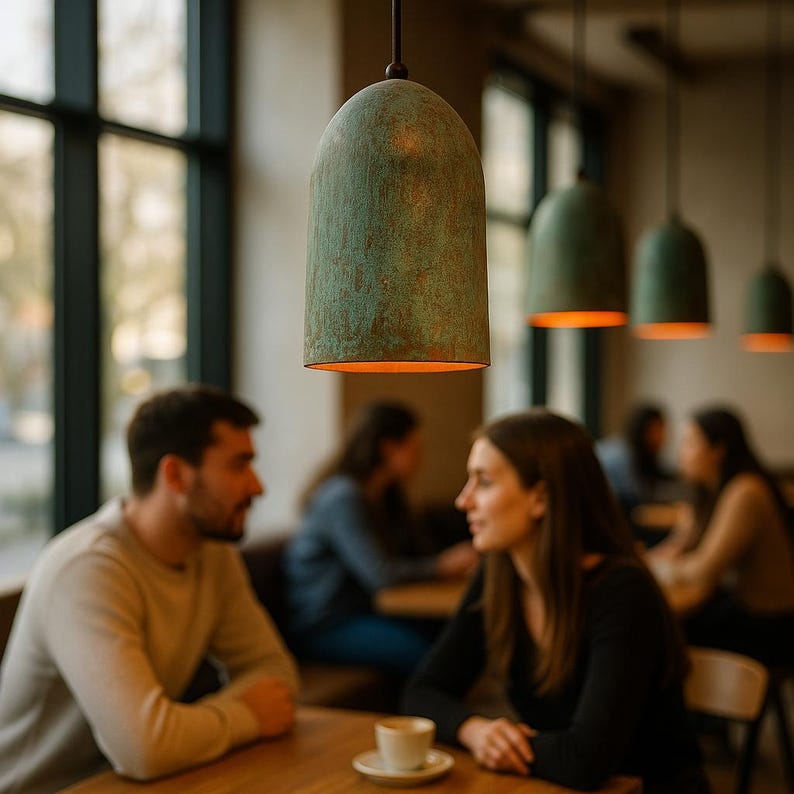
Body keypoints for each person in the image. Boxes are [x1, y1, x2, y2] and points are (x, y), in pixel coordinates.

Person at [0, 385, 299, 793]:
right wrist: (247, 715)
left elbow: (277, 676)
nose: (257, 486)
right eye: (238, 465)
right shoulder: (88, 568)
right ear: (175, 474)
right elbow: (143, 749)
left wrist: (179, 733)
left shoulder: (211, 555)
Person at [402, 410, 707, 793]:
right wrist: (476, 731)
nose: (464, 500)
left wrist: (509, 745)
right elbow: (421, 692)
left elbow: (585, 761)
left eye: (484, 482)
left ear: (540, 498)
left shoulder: (621, 592)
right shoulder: (497, 576)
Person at [284, 401, 478, 675]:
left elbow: (416, 552)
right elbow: (380, 574)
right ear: (389, 448)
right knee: (428, 654)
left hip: (367, 611)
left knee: (455, 636)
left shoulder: (387, 497)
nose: (421, 458)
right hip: (326, 622)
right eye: (415, 448)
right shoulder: (343, 498)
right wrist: (442, 566)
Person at [646, 406, 794, 667]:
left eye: (690, 442)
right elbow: (679, 545)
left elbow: (705, 568)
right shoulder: (707, 491)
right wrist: (643, 559)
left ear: (718, 450)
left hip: (771, 622)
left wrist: (657, 567)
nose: (681, 452)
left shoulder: (746, 491)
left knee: (665, 637)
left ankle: (697, 707)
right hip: (741, 606)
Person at [596, 403, 678, 515]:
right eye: (657, 430)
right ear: (643, 429)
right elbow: (637, 496)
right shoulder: (621, 455)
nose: (662, 437)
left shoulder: (637, 453)